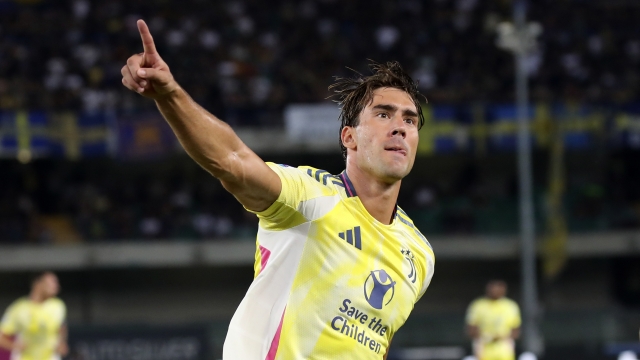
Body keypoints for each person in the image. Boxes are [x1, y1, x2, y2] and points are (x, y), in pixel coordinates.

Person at [120, 19, 435, 359]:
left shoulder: (420, 255)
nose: (400, 128)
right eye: (384, 115)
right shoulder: (311, 196)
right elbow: (231, 160)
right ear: (349, 137)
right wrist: (170, 94)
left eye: (410, 120)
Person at [0, 272, 68, 360]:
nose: (56, 286)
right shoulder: (18, 308)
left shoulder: (58, 306)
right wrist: (15, 346)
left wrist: (62, 343)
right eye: (52, 282)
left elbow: (62, 327)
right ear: (38, 284)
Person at [466, 280, 521, 360]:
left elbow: (516, 330)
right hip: (484, 349)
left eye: (498, 288)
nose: (495, 291)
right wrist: (487, 337)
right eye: (493, 288)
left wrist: (501, 337)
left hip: (504, 350)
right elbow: (471, 329)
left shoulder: (510, 306)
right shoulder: (478, 305)